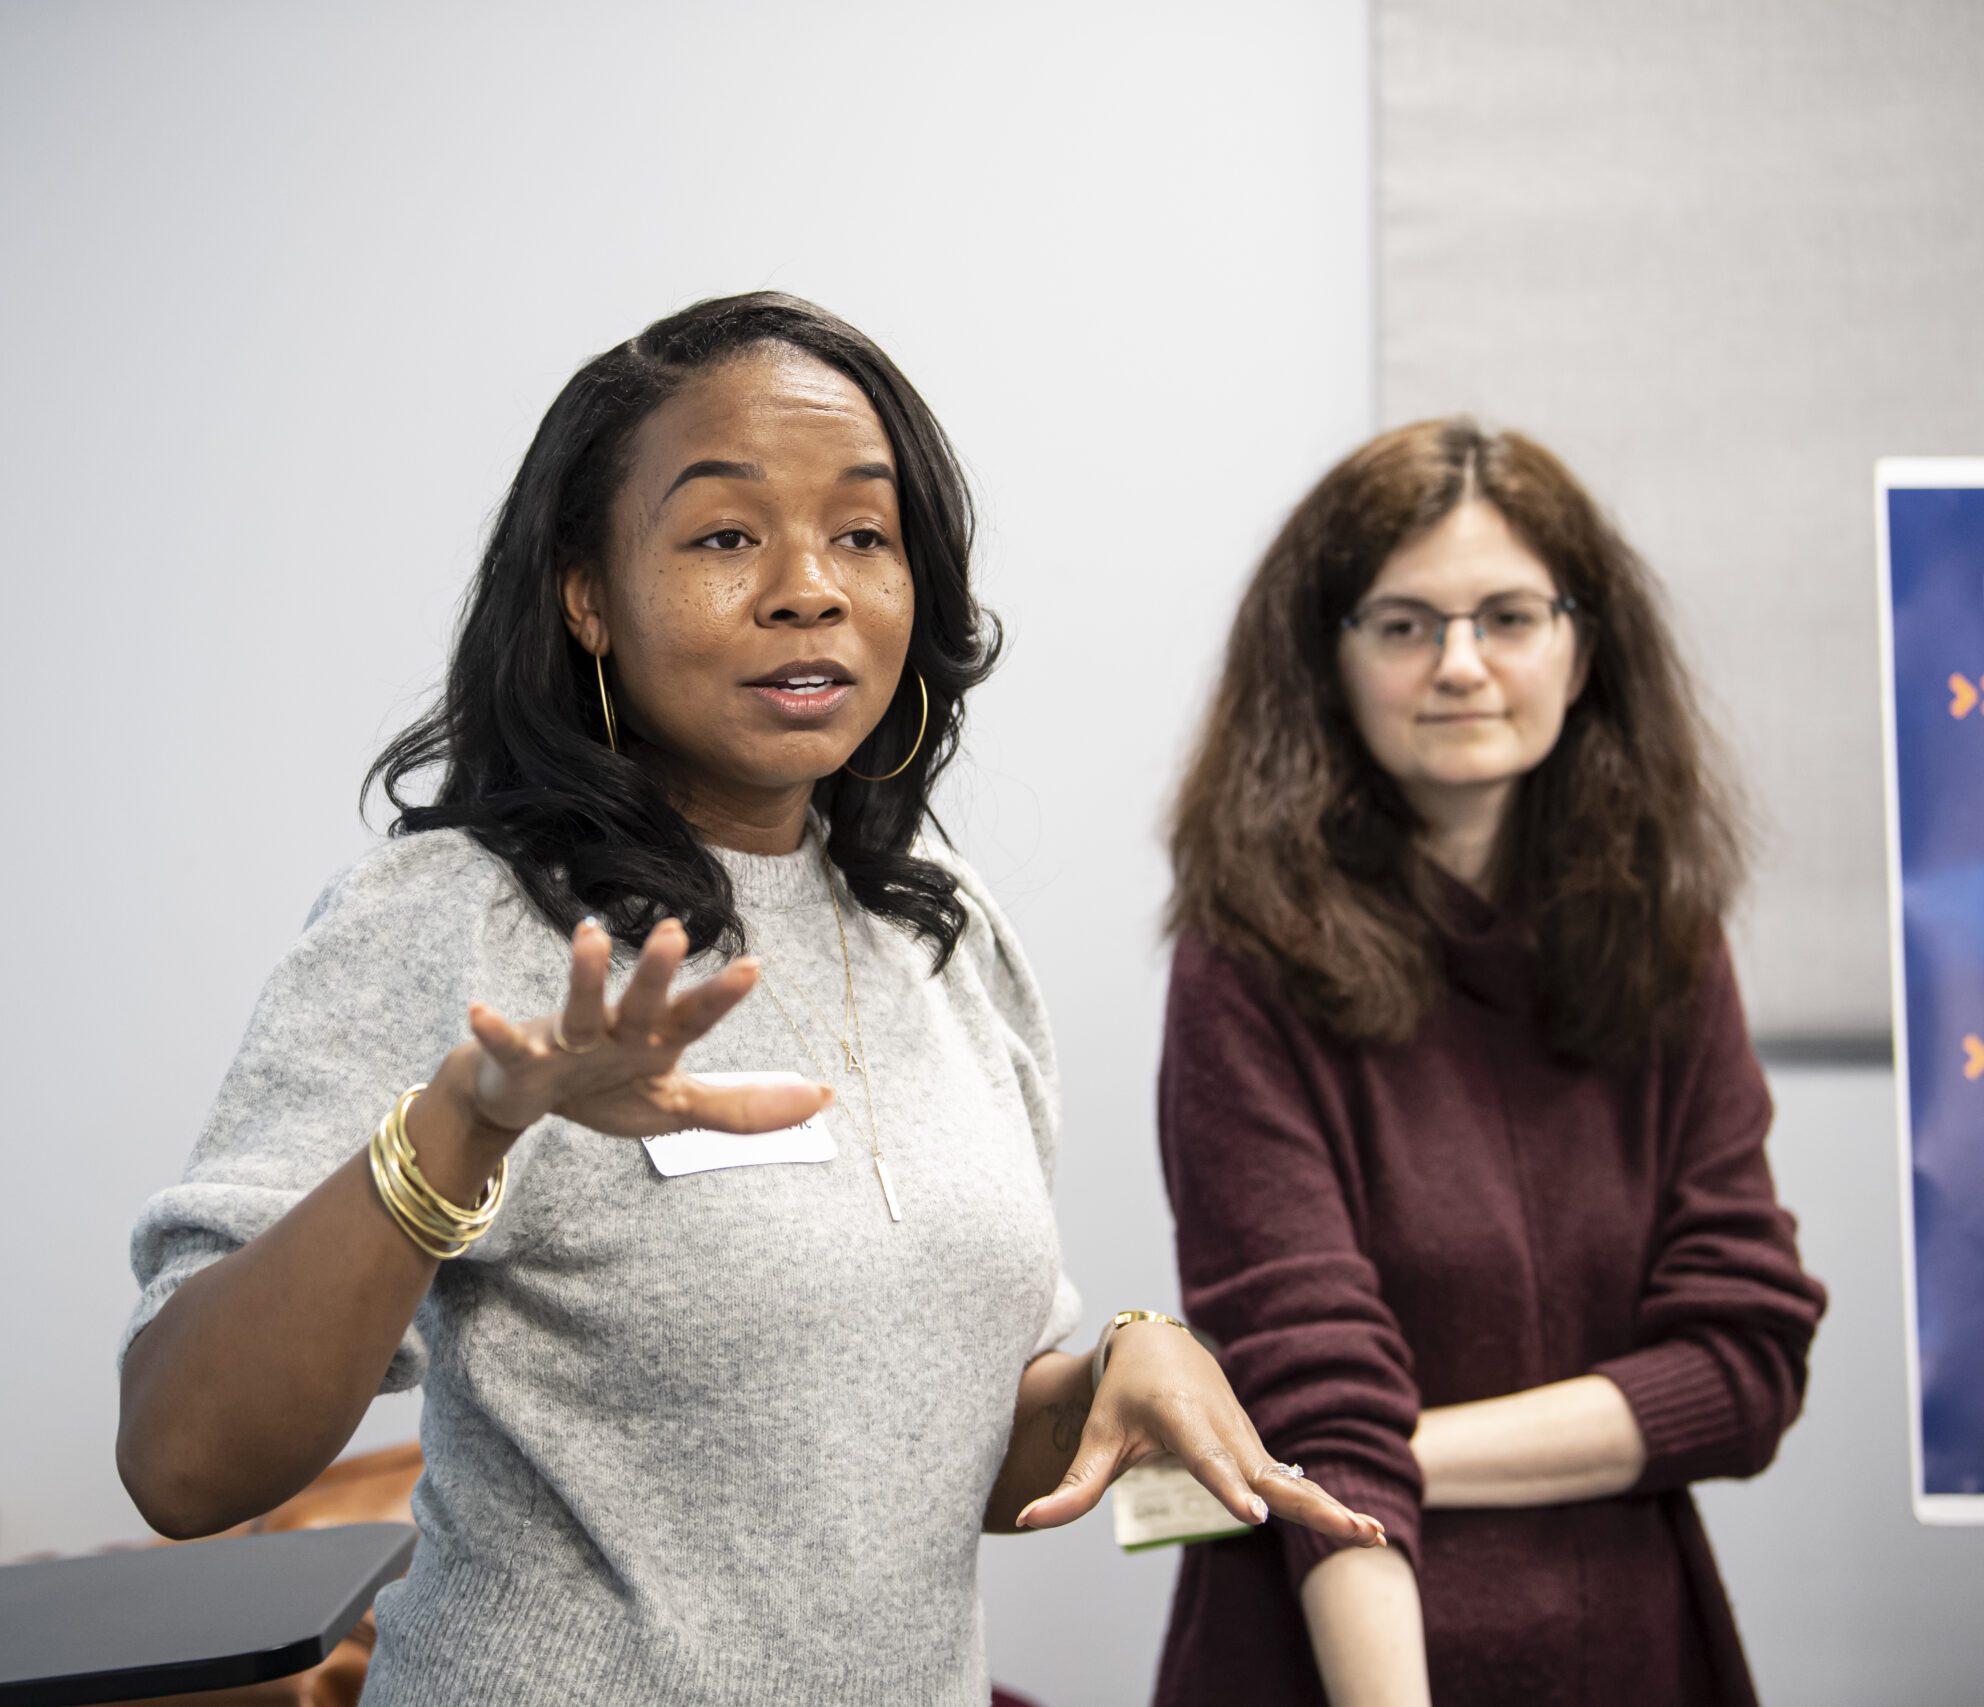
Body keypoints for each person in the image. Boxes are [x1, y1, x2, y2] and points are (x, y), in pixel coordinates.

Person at [113, 292, 1381, 1705]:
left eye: (862, 534)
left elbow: (914, 1445)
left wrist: (1119, 1380)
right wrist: (463, 1126)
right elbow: (182, 1457)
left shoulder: (946, 941)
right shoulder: (456, 918)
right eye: (725, 535)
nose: (808, 585)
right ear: (586, 591)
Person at [1151, 419, 1828, 1706]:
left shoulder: (1666, 941)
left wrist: (1371, 1452)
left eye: (1507, 616)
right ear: (1329, 660)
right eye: (1403, 624)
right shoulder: (1244, 963)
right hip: (1335, 1654)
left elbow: (1742, 1368)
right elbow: (1315, 1390)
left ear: (1581, 650)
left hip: (1631, 1648)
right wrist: (1333, 1454)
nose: (1460, 665)